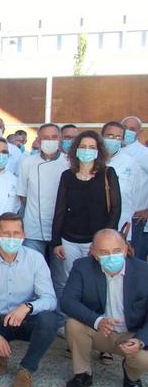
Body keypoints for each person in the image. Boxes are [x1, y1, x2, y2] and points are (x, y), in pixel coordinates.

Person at [0, 212, 58, 387]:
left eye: (16, 233)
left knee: (50, 321)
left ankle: (27, 369)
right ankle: (0, 353)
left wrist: (27, 307)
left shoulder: (35, 259)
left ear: (23, 236)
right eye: (6, 233)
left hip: (24, 318)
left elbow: (50, 299)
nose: (11, 238)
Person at [62, 229, 148, 387]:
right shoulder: (82, 266)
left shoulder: (144, 271)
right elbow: (67, 301)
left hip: (132, 335)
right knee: (73, 324)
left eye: (116, 251)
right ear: (94, 253)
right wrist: (97, 321)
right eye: (104, 252)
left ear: (125, 249)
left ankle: (131, 375)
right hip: (100, 331)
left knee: (144, 359)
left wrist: (141, 341)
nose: (111, 257)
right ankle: (82, 374)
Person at [52, 130, 121, 314]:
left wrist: (102, 242)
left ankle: (99, 320)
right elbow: (60, 210)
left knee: (97, 281)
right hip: (69, 240)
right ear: (75, 150)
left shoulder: (108, 174)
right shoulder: (67, 176)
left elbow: (115, 210)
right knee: (70, 282)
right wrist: (56, 241)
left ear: (98, 151)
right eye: (83, 147)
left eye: (91, 147)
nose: (87, 150)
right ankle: (70, 320)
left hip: (96, 241)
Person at [16, 123, 69, 327]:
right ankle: (30, 318)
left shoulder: (68, 163)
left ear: (60, 139)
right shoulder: (28, 163)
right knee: (31, 277)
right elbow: (23, 196)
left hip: (61, 233)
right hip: (32, 230)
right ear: (38, 140)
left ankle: (61, 321)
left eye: (53, 137)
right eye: (45, 137)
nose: (49, 141)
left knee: (60, 279)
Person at [102, 121, 140, 241]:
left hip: (121, 226)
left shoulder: (130, 162)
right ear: (101, 136)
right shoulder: (93, 159)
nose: (114, 140)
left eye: (118, 137)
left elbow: (135, 194)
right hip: (93, 225)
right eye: (110, 136)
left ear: (122, 140)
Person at [120, 116, 148, 261]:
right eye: (125, 128)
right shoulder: (115, 152)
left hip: (136, 220)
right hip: (117, 218)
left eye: (132, 129)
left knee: (134, 263)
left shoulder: (143, 153)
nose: (127, 132)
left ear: (140, 131)